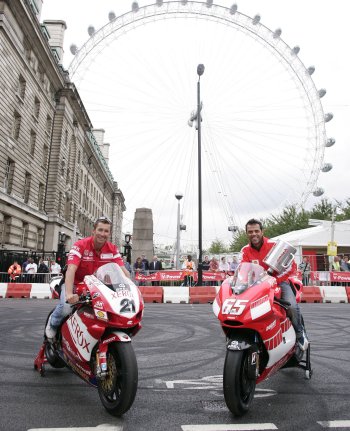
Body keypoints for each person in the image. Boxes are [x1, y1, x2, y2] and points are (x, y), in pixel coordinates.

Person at [45, 216, 129, 339]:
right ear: (93, 231)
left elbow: (123, 271)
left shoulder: (113, 249)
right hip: (74, 284)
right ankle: (53, 323)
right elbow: (71, 269)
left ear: (109, 233)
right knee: (66, 307)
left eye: (106, 231)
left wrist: (131, 287)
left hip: (97, 287)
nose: (103, 234)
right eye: (100, 230)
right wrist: (69, 294)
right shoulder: (80, 245)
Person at [241, 218, 308, 351]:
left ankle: (300, 335)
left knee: (291, 306)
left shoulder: (275, 245)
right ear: (246, 233)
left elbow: (290, 265)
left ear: (262, 231)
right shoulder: (245, 250)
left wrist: (275, 280)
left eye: (256, 231)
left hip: (280, 281)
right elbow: (242, 269)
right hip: (257, 285)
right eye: (250, 232)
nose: (253, 234)